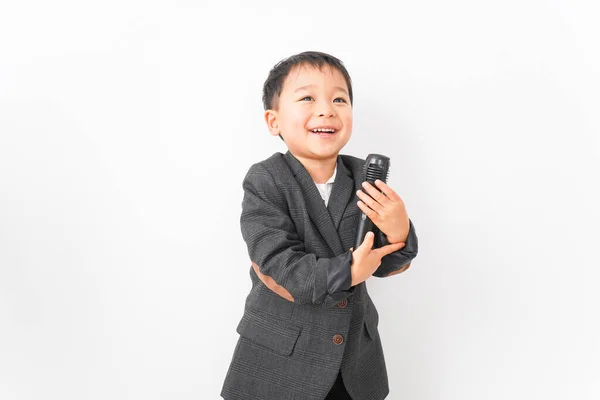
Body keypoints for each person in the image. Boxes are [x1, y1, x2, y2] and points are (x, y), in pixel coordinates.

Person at [221, 51, 418, 400]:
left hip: (354, 362)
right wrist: (348, 270)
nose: (326, 109)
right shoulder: (266, 180)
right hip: (280, 360)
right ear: (274, 120)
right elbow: (279, 266)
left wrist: (398, 231)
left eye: (339, 99)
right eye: (308, 98)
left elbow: (384, 265)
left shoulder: (363, 177)